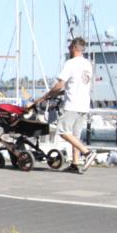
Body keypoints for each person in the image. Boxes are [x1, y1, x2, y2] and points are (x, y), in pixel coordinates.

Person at [32, 37, 97, 173]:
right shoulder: (88, 65)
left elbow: (60, 84)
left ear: (74, 48)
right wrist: (58, 93)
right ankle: (74, 164)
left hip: (72, 104)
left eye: (69, 47)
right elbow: (73, 85)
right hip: (84, 105)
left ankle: (87, 153)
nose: (68, 50)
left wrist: (48, 94)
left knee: (63, 132)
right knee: (75, 136)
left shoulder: (71, 63)